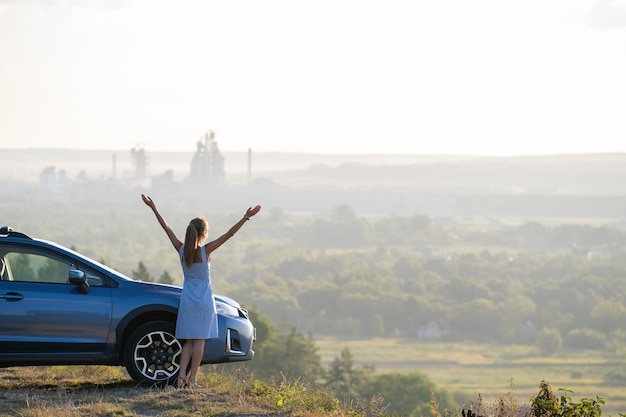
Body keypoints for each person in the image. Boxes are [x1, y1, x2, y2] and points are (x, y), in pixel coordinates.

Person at [141, 194, 261, 388]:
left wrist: (153, 208)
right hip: (204, 301)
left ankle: (180, 378)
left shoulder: (181, 250)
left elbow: (166, 228)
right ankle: (192, 380)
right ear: (203, 234)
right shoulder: (205, 252)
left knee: (188, 341)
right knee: (200, 342)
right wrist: (245, 218)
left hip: (188, 300)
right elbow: (229, 235)